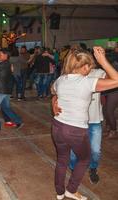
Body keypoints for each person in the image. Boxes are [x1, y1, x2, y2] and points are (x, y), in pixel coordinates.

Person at [51, 47, 118, 200]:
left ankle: (60, 192)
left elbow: (52, 89)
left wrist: (54, 102)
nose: (90, 69)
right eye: (89, 66)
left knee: (62, 159)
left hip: (57, 126)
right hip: (75, 130)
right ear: (84, 66)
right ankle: (71, 190)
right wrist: (103, 61)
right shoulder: (87, 82)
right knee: (84, 159)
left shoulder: (62, 79)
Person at [103, 46, 118, 139]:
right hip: (110, 88)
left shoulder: (114, 59)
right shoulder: (113, 58)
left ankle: (113, 130)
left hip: (115, 89)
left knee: (109, 110)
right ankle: (109, 127)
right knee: (106, 109)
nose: (115, 47)